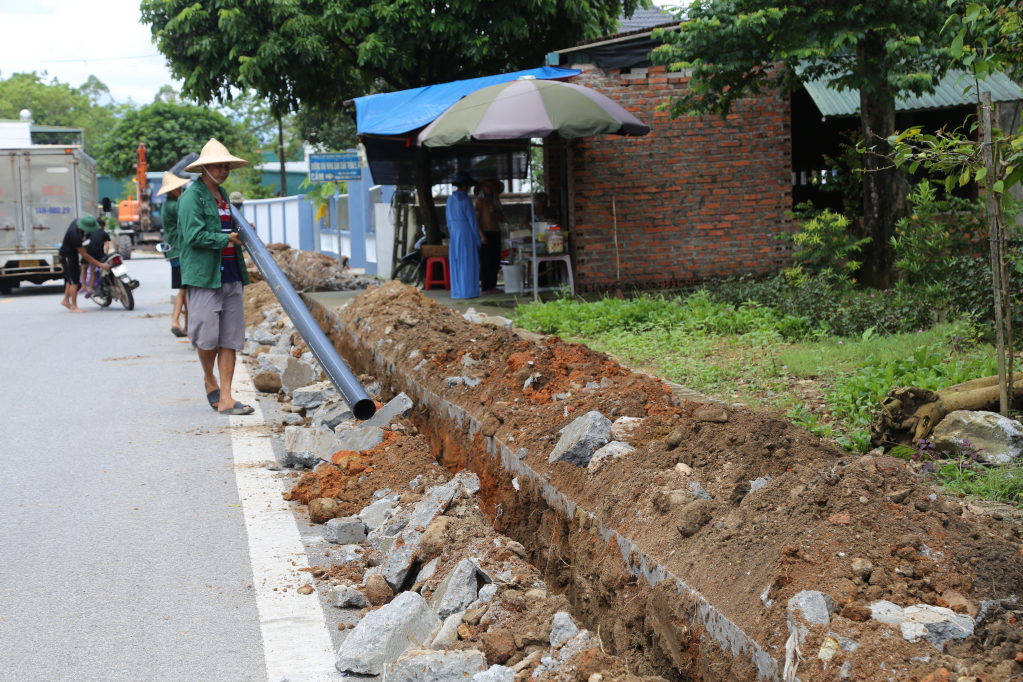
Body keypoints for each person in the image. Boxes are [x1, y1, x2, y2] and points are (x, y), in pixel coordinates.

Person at [178, 138, 254, 415]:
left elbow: (229, 229)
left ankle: (226, 396)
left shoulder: (224, 198)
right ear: (203, 169)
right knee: (207, 336)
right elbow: (192, 235)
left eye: (226, 166)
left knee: (230, 338)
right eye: (217, 166)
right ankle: (209, 378)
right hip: (204, 277)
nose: (223, 170)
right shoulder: (191, 197)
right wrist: (227, 238)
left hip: (231, 274)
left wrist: (243, 229)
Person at [157, 171, 191, 337]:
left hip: (173, 252)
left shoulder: (167, 205)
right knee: (184, 290)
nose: (180, 189)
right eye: (177, 187)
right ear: (169, 191)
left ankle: (187, 324)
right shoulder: (174, 206)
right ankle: (176, 321)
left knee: (184, 289)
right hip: (179, 251)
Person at [58, 215, 110, 313]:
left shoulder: (77, 221)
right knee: (74, 281)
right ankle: (74, 307)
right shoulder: (74, 236)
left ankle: (65, 300)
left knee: (71, 278)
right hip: (68, 256)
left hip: (71, 255)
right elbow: (85, 255)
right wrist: (100, 265)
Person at [446, 170, 480, 300]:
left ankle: (457, 292)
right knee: (468, 262)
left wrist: (453, 233)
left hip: (454, 233)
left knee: (456, 262)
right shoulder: (467, 200)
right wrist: (477, 239)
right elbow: (472, 221)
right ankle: (469, 291)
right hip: (466, 233)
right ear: (465, 186)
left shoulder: (449, 200)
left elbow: (448, 221)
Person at [474, 178, 504, 295]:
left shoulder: (495, 200)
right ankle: (486, 288)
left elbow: (501, 218)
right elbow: (477, 219)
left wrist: (495, 210)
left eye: (491, 186)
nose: (489, 189)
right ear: (483, 188)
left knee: (495, 261)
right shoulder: (479, 201)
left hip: (495, 233)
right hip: (485, 233)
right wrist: (481, 235)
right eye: (487, 186)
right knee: (486, 261)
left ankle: (493, 286)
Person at [79, 216, 111, 298]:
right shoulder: (105, 233)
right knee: (93, 270)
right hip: (98, 253)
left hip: (88, 252)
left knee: (84, 269)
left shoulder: (91, 231)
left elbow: (83, 240)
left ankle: (83, 286)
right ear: (104, 226)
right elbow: (107, 246)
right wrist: (105, 254)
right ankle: (90, 289)